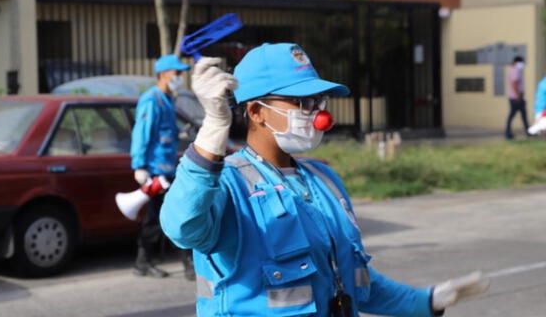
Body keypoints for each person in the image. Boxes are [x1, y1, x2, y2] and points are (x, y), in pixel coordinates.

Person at [160, 43, 489, 316]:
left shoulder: (323, 178)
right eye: (300, 102)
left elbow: (351, 278)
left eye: (318, 101)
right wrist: (213, 129)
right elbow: (182, 226)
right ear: (256, 111)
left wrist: (423, 302)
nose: (315, 113)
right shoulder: (227, 182)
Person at [129, 54, 194, 280]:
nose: (180, 78)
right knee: (163, 216)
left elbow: (165, 134)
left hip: (168, 169)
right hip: (156, 170)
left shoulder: (167, 100)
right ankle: (153, 262)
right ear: (164, 74)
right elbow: (142, 133)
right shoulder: (152, 100)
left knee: (164, 215)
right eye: (177, 74)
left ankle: (144, 261)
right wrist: (139, 165)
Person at [505, 56, 529, 139]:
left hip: (514, 97)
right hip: (516, 98)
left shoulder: (512, 69)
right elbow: (514, 83)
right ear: (517, 62)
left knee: (520, 114)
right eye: (521, 62)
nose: (522, 64)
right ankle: (508, 133)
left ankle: (527, 131)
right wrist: (518, 96)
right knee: (515, 114)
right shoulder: (515, 70)